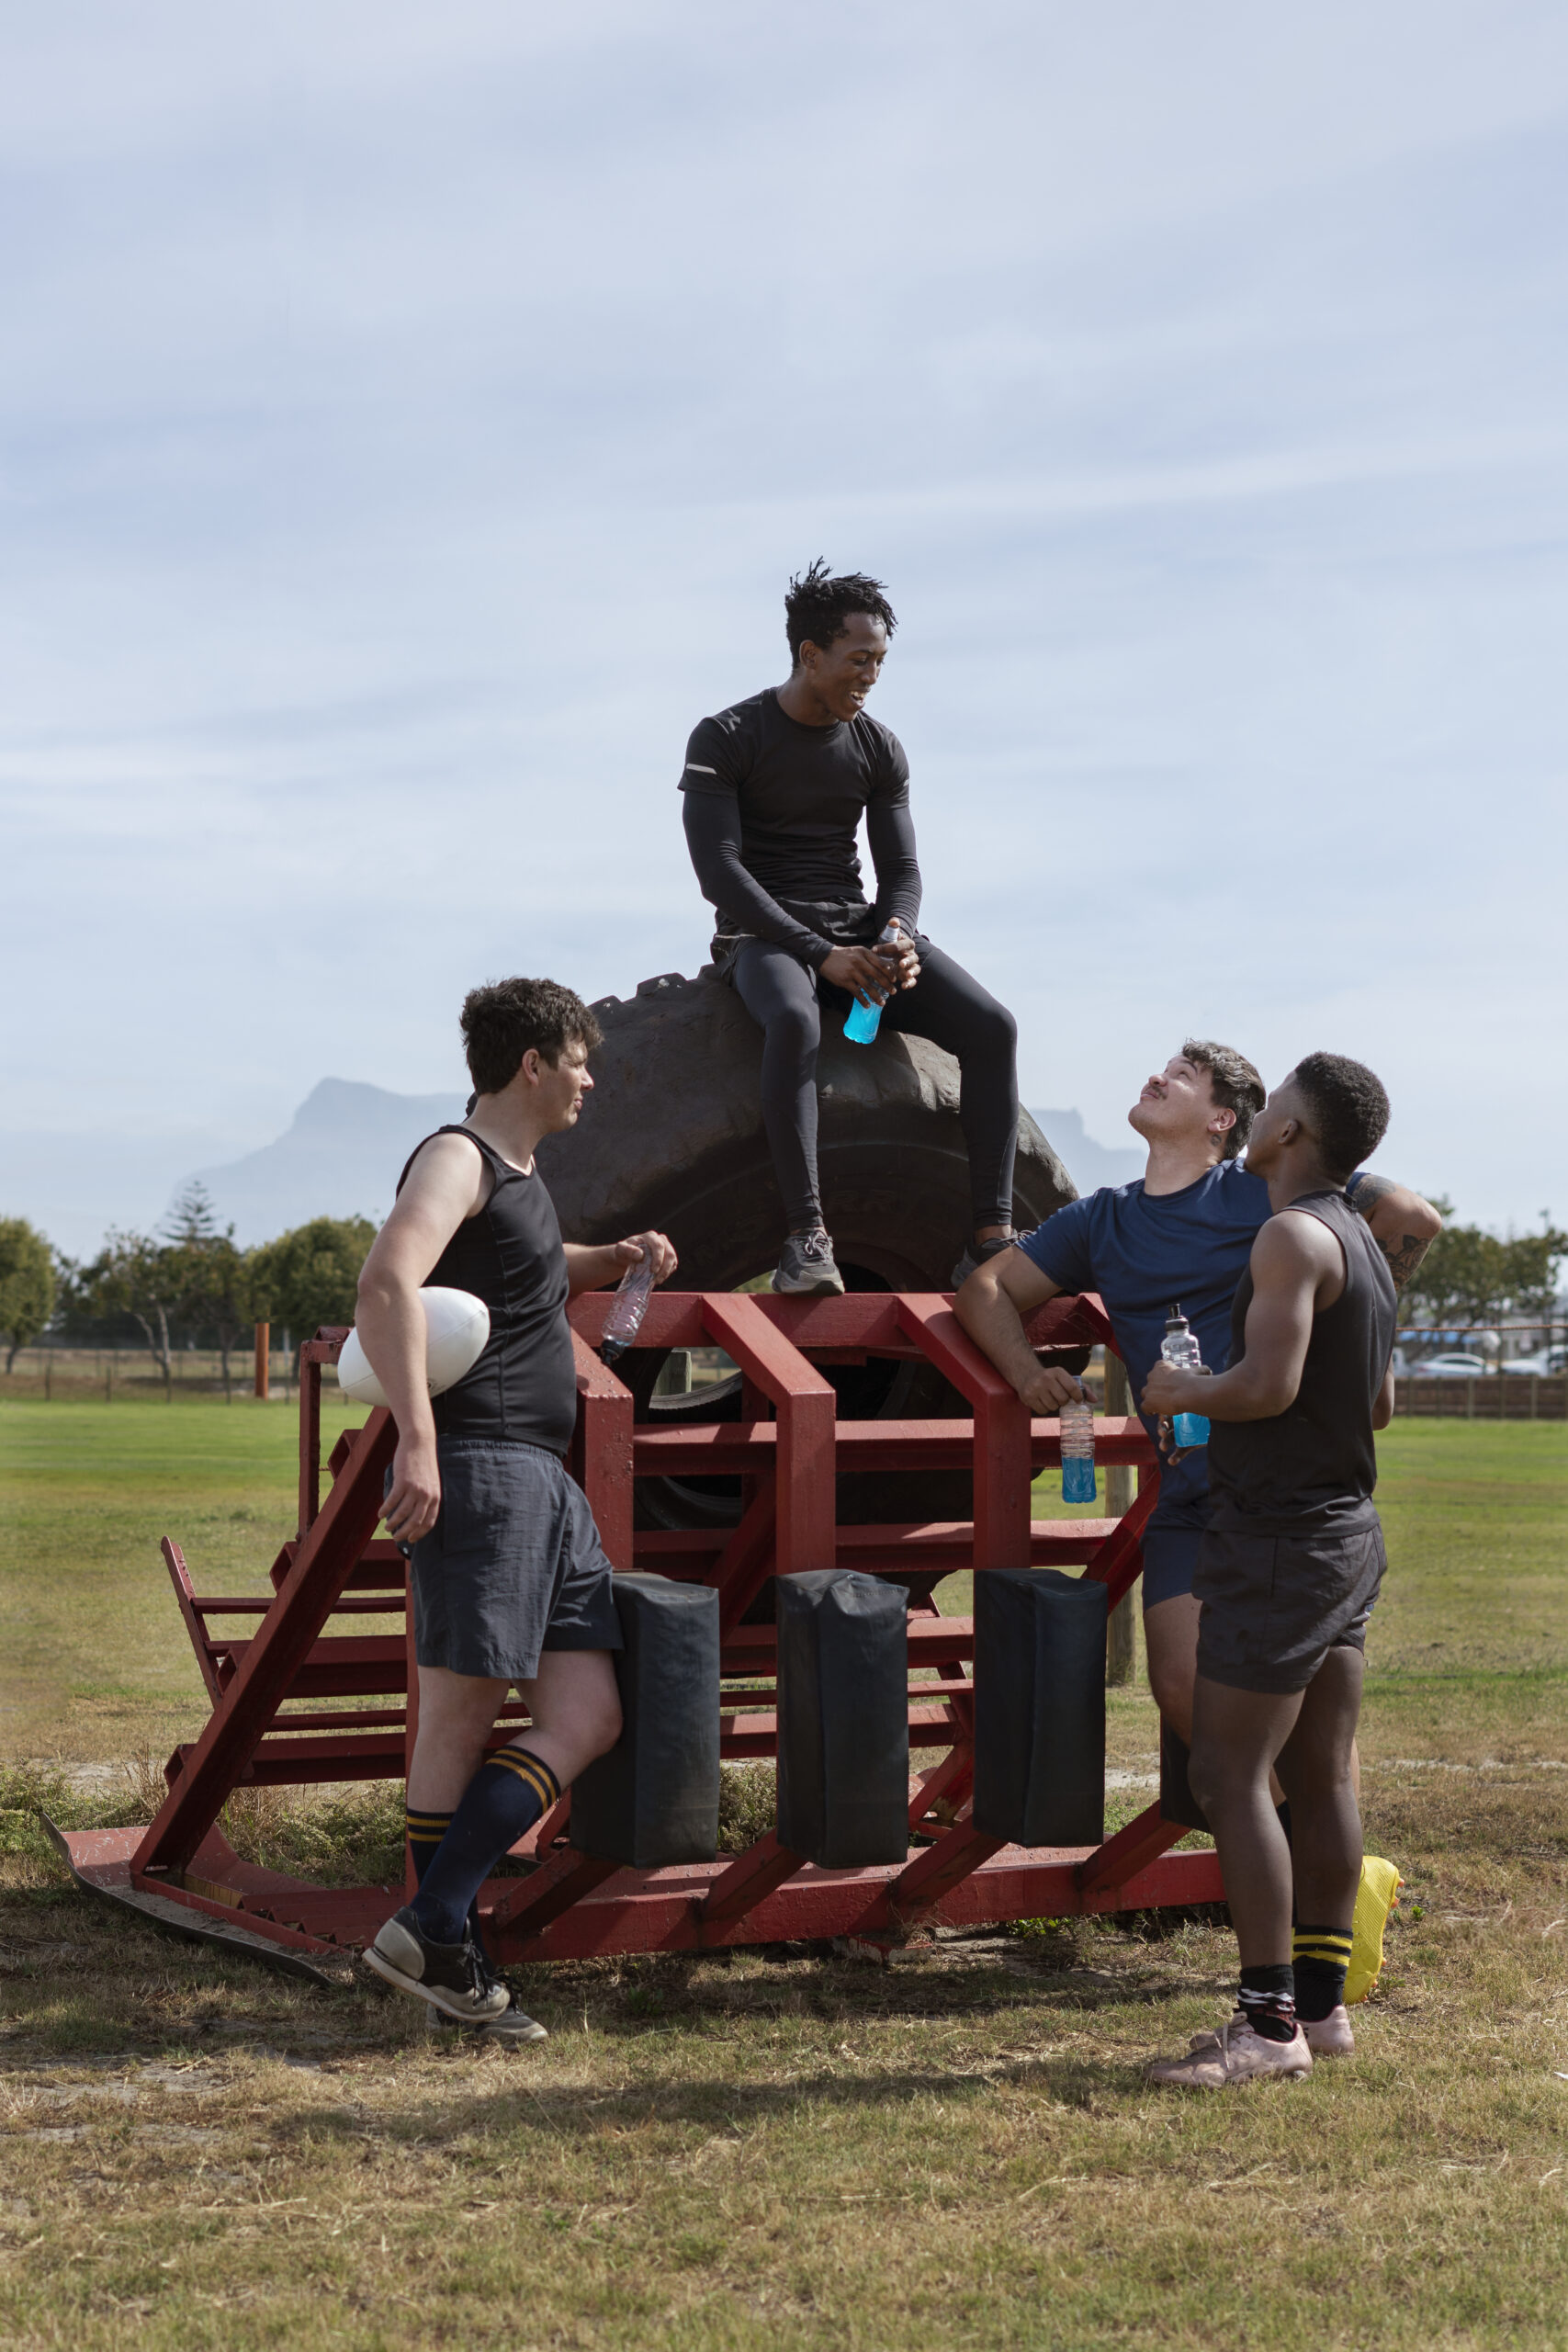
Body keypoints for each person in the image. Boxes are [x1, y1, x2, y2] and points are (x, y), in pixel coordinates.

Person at [954, 1042, 1439, 1748]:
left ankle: (1313, 1853)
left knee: (1301, 1726)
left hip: (1280, 1490)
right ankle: (1294, 1842)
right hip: (1185, 1494)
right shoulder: (1100, 1218)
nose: (1156, 1075)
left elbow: (1406, 1214)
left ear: (1222, 1119)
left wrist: (1363, 1361)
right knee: (1182, 1689)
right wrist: (1027, 1374)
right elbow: (984, 1290)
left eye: (1182, 1076)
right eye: (1162, 1068)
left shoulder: (1266, 1195)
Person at [359, 977, 676, 2037]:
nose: (590, 1077)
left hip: (546, 1478)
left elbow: (530, 1277)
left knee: (588, 1714)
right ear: (532, 1065)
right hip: (484, 1464)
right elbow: (388, 1282)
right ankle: (442, 1948)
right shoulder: (457, 1156)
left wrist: (615, 1257)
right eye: (579, 1060)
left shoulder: (524, 1181)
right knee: (458, 1717)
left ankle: (432, 1922)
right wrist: (418, 1437)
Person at [1139, 1054, 1399, 2086]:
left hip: (1280, 1540)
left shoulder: (1290, 1233)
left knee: (1229, 1772)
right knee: (1320, 1773)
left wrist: (1177, 1386)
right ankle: (1324, 2012)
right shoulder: (1364, 1242)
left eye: (1274, 1101)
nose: (1261, 1117)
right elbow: (1377, 1405)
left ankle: (1266, 2026)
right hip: (1343, 1534)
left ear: (1290, 1130)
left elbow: (1267, 1383)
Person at [680, 560, 1020, 1295]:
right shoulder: (726, 735)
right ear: (810, 654)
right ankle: (806, 1238)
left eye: (879, 662)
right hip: (763, 936)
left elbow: (901, 867)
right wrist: (819, 954)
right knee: (795, 1024)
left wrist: (896, 933)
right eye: (858, 659)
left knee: (993, 1026)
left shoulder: (878, 747)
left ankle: (991, 1235)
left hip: (857, 928)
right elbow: (720, 873)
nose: (870, 676)